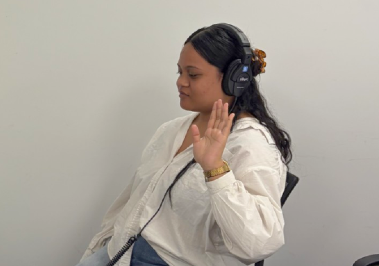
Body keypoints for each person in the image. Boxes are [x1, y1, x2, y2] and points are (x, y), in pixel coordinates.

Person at [79, 24, 292, 266]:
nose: (181, 82)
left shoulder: (251, 144)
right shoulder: (172, 130)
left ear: (236, 79)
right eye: (179, 72)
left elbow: (259, 243)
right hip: (121, 249)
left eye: (193, 74)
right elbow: (135, 202)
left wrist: (215, 170)